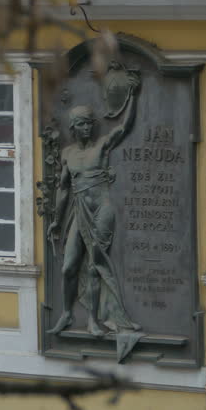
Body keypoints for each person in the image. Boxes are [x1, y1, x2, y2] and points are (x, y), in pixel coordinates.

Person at [46, 103, 141, 337]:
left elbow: (124, 127)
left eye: (89, 123)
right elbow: (64, 190)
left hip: (102, 210)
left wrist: (132, 96)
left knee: (94, 266)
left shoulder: (102, 146)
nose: (86, 127)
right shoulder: (67, 153)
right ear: (73, 128)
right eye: (81, 124)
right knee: (69, 267)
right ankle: (67, 314)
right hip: (79, 211)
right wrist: (57, 221)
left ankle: (93, 320)